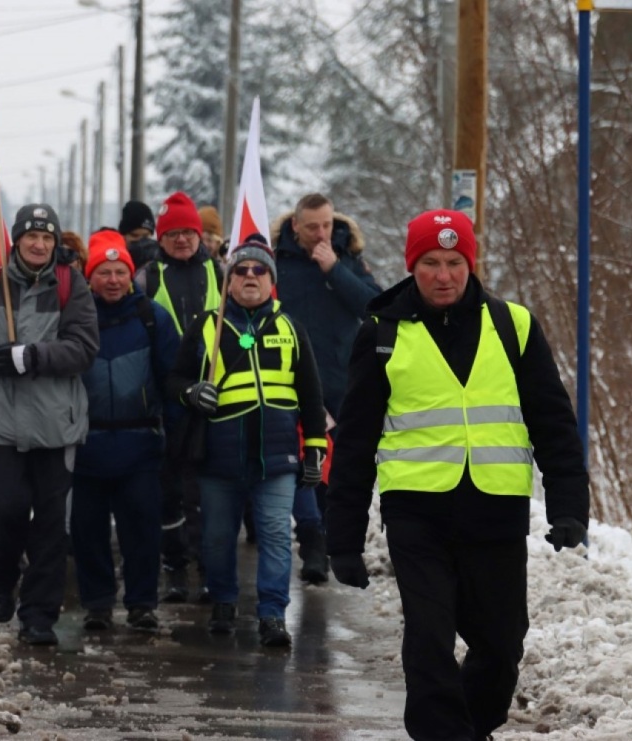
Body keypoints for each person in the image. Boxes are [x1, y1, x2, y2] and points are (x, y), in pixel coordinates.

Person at [325, 209, 590, 740]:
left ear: (470, 264)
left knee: (500, 645)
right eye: (429, 263)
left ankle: (470, 727)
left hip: (495, 511)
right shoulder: (382, 334)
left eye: (453, 262)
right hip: (417, 513)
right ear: (411, 266)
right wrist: (343, 540)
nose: (443, 275)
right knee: (428, 638)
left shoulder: (513, 325)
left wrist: (568, 507)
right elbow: (354, 442)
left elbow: (554, 423)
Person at [0, 203, 100, 647]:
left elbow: (85, 347)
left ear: (55, 242)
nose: (39, 244)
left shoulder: (72, 284)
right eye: (31, 237)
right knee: (6, 510)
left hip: (57, 424)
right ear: (16, 240)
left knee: (53, 525)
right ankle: (0, 583)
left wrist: (34, 356)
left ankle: (39, 616)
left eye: (47, 237)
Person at [167, 235, 327, 648]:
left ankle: (272, 614)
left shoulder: (290, 328)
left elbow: (311, 396)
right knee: (218, 538)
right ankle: (222, 600)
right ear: (228, 280)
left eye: (259, 270)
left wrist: (315, 449)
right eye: (241, 270)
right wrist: (191, 393)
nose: (250, 276)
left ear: (271, 280)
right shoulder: (207, 325)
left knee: (275, 535)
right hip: (218, 459)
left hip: (276, 460)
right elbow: (175, 380)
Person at [71, 229, 180, 633]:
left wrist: (175, 438)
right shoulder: (75, 320)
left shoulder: (154, 318)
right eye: (104, 272)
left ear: (131, 275)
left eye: (120, 271)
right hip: (86, 446)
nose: (113, 280)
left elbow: (172, 380)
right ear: (90, 277)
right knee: (88, 532)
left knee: (142, 532)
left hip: (141, 447)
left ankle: (141, 604)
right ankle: (97, 604)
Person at [271, 193, 382, 584]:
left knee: (337, 468)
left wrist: (335, 270)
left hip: (340, 381)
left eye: (327, 225)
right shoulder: (277, 262)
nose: (322, 233)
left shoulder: (347, 258)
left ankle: (334, 543)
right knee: (304, 464)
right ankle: (312, 546)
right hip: (291, 379)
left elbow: (374, 307)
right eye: (313, 226)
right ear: (296, 226)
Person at [135, 191, 226, 604]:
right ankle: (174, 567)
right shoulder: (148, 276)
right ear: (161, 238)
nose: (184, 240)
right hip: (166, 395)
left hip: (215, 397)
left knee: (207, 493)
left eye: (190, 232)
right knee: (169, 490)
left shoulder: (221, 273)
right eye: (174, 234)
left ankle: (209, 569)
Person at [118, 199, 159, 271]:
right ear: (123, 236)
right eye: (134, 236)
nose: (140, 241)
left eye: (145, 236)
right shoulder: (115, 260)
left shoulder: (160, 259)